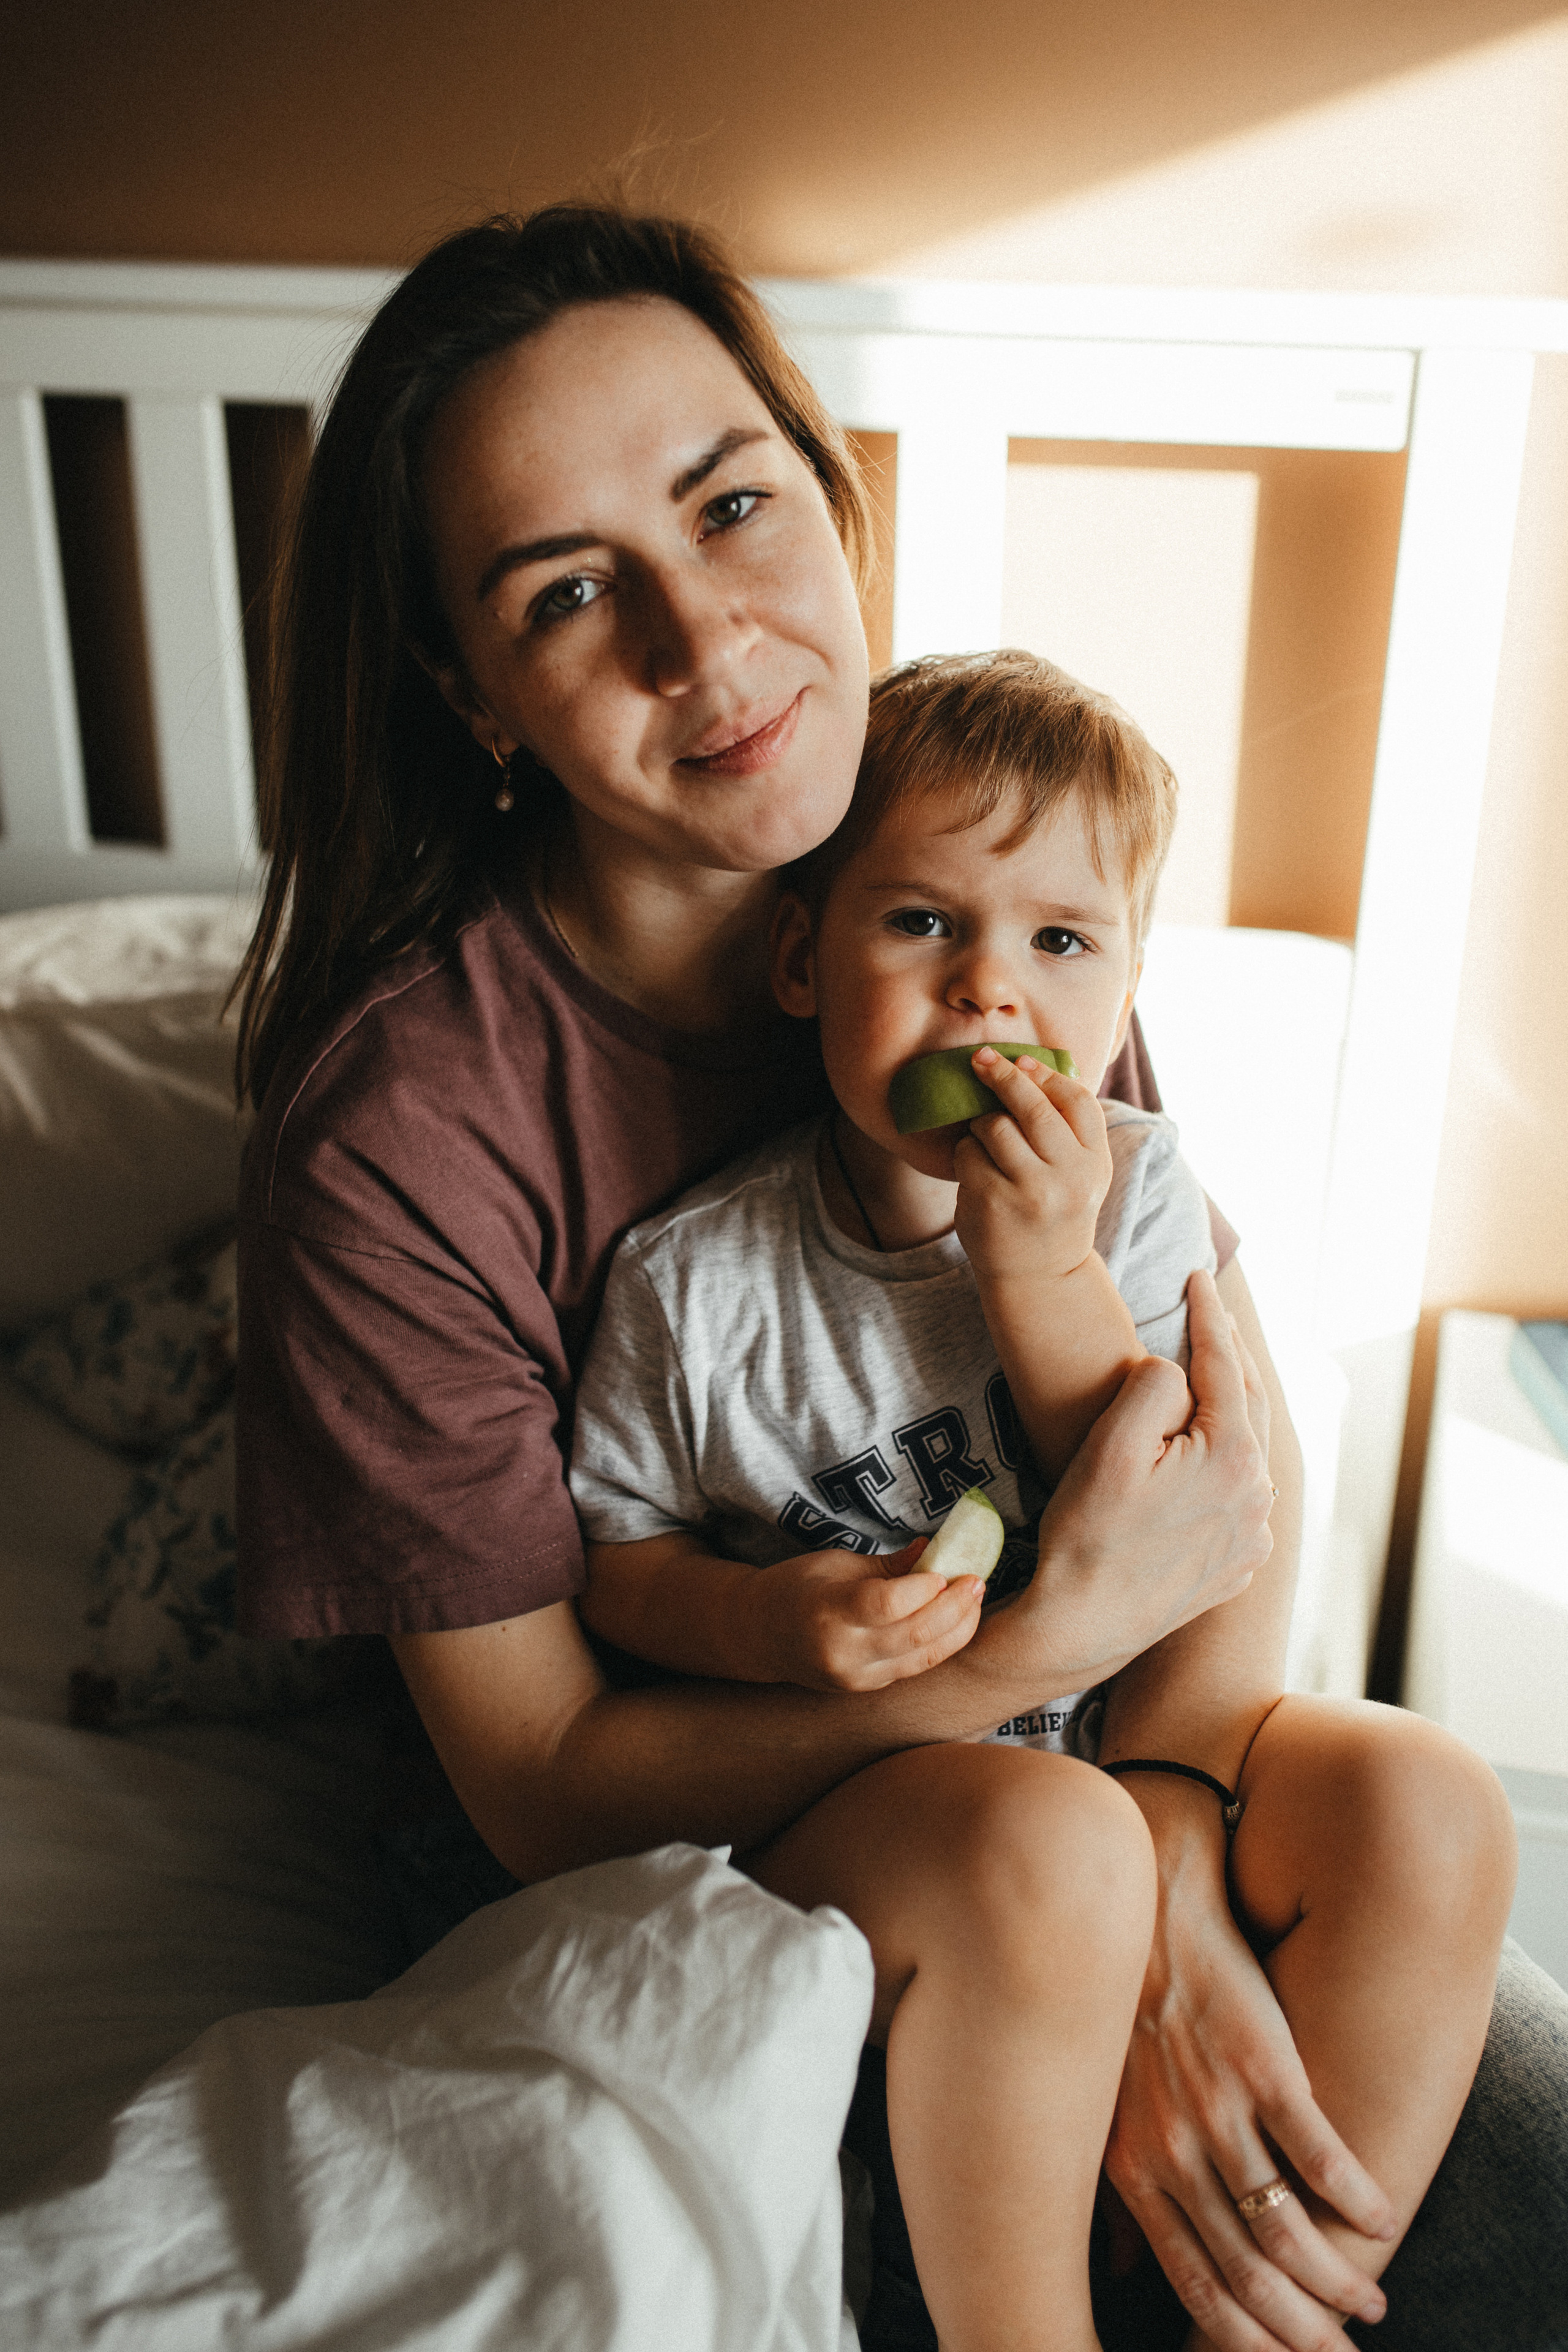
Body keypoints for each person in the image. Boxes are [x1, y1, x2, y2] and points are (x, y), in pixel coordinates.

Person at [233, 205, 1568, 2352]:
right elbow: (548, 1776)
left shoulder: (970, 870)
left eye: (734, 504)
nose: (708, 638)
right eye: (571, 594)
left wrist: (1179, 1862)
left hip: (1090, 1788)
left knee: (1450, 1921)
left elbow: (1210, 1435)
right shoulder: (405, 1136)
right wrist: (1043, 1715)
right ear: (470, 693)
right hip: (676, 1891)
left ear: (834, 502)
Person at [568, 646, 1514, 2350]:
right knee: (1054, 1840)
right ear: (805, 956)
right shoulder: (695, 1282)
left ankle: (1265, 2292)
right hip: (887, 1817)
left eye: (1061, 943)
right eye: (924, 925)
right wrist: (765, 1619)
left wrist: (1045, 1277)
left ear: (1127, 986)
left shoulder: (1139, 1199)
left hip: (1135, 1743)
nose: (990, 994)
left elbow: (1182, 1495)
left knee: (1429, 1799)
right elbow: (621, 1563)